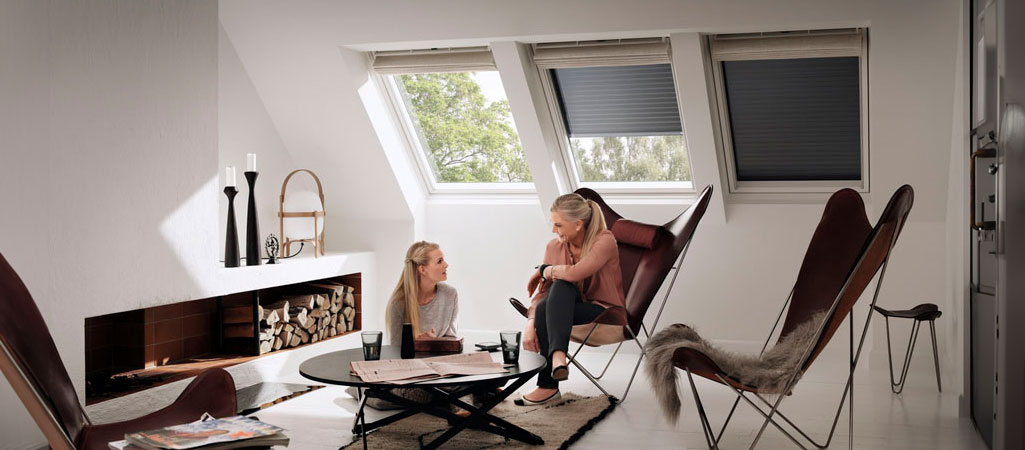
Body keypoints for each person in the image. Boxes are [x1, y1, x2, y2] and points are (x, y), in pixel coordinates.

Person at [516, 193, 625, 406]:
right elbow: (542, 293)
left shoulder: (604, 240)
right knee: (554, 293)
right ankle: (558, 360)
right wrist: (530, 323)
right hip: (563, 310)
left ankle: (548, 384)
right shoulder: (554, 247)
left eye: (558, 225)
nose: (553, 230)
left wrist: (544, 270)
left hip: (603, 311)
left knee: (561, 283)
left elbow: (576, 273)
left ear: (577, 224)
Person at [385, 241, 458, 345]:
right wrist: (419, 344)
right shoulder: (398, 303)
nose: (446, 265)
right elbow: (396, 350)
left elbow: (453, 341)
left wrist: (433, 343)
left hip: (443, 359)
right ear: (422, 269)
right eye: (439, 261)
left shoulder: (450, 294)